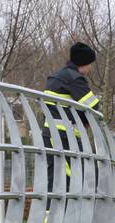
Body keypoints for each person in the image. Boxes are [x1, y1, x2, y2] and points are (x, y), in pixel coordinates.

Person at [43, 42, 99, 190]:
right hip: (65, 136)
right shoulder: (75, 79)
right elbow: (94, 108)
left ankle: (51, 213)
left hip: (50, 134)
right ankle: (70, 213)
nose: (90, 67)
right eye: (89, 64)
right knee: (72, 179)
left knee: (55, 177)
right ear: (83, 63)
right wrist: (86, 122)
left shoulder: (57, 76)